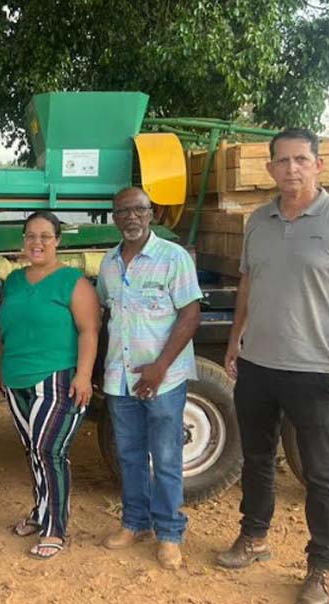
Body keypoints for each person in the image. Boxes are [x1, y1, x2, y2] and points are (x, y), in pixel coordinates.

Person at [218, 129, 329, 604]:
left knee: (320, 473)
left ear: (318, 167)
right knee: (257, 459)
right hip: (258, 365)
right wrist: (234, 339)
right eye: (283, 161)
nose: (292, 169)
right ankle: (254, 537)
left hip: (315, 370)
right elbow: (248, 285)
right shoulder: (258, 221)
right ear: (269, 169)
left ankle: (321, 568)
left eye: (301, 160)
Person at [97, 186, 202, 571]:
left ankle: (170, 533)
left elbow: (190, 315)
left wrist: (159, 367)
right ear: (114, 217)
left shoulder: (173, 257)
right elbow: (106, 316)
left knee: (167, 456)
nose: (130, 217)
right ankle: (135, 523)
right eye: (122, 211)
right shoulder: (109, 264)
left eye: (138, 209)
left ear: (151, 213)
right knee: (129, 455)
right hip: (121, 378)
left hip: (164, 377)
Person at [0, 211, 100, 559]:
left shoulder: (73, 281)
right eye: (30, 236)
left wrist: (84, 375)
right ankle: (41, 513)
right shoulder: (14, 281)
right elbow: (4, 330)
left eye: (45, 236)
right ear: (23, 241)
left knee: (50, 451)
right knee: (34, 451)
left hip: (57, 377)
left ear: (58, 241)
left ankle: (55, 527)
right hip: (16, 378)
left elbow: (89, 330)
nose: (37, 243)